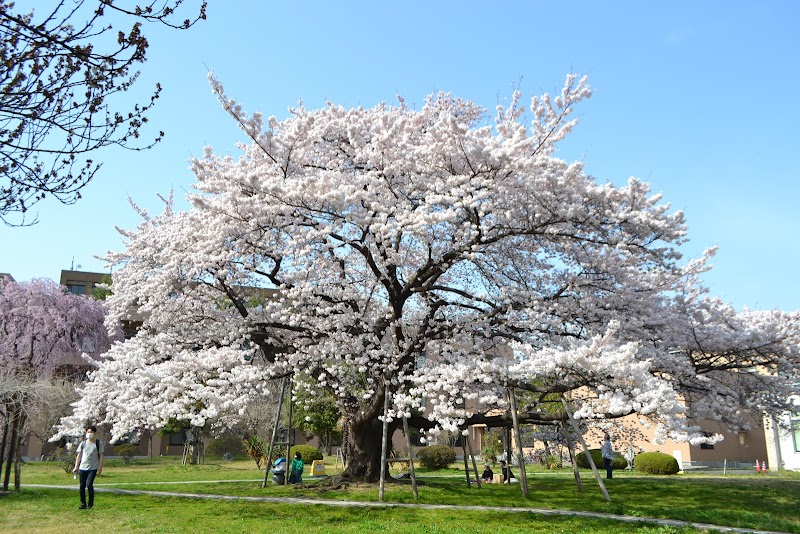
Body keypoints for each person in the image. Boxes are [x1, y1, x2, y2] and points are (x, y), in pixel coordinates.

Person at [72, 425, 104, 509]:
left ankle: (90, 503)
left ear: (94, 433)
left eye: (91, 432)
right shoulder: (83, 443)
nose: (89, 434)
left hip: (92, 468)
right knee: (82, 486)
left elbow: (101, 455)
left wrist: (100, 466)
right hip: (82, 468)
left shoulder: (98, 443)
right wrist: (76, 467)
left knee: (89, 485)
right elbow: (79, 455)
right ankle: (83, 503)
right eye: (88, 432)